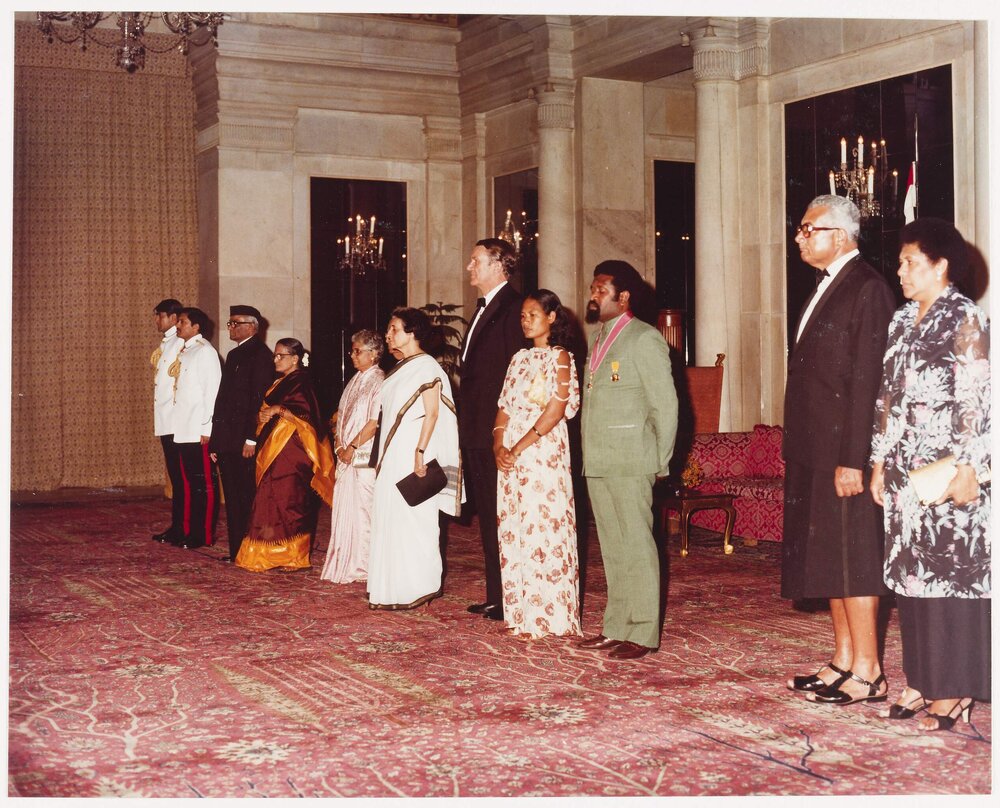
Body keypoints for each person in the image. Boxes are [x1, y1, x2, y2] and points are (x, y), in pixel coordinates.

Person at [869, 218, 991, 731]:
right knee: (911, 576)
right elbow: (887, 399)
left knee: (952, 574)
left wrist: (969, 467)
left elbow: (977, 400)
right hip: (904, 471)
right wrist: (878, 460)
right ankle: (922, 678)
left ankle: (955, 688)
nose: (901, 270)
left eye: (910, 262)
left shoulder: (966, 319)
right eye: (900, 261)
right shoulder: (901, 321)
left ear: (941, 267)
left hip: (948, 468)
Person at [781, 195, 896, 706]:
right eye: (801, 229)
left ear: (843, 235)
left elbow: (869, 382)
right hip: (813, 449)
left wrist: (856, 457)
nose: (800, 237)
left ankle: (869, 669)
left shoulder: (868, 287)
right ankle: (843, 659)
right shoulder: (826, 287)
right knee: (829, 558)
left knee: (855, 559)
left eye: (810, 229)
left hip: (842, 455)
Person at [577, 261, 677, 661]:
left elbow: (665, 407)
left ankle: (642, 632)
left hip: (632, 458)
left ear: (624, 297)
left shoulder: (644, 339)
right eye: (592, 288)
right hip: (599, 459)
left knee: (636, 544)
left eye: (601, 289)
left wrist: (659, 461)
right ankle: (616, 625)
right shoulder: (599, 337)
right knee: (614, 547)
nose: (592, 295)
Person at [494, 289, 582, 639]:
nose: (525, 320)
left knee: (543, 525)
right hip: (513, 451)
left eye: (533, 314)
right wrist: (499, 445)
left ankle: (551, 617)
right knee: (516, 524)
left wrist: (519, 446)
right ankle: (522, 614)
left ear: (552, 317)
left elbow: (556, 409)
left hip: (542, 451)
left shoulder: (560, 358)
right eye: (523, 315)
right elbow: (503, 405)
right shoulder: (518, 359)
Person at [368, 308, 462, 610]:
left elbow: (433, 413)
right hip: (392, 452)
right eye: (388, 329)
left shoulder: (426, 367)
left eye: (394, 328)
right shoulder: (400, 368)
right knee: (391, 517)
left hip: (413, 453)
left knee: (415, 518)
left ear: (413, 332)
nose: (388, 334)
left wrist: (420, 452)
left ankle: (421, 586)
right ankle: (390, 589)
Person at [459, 238, 526, 621]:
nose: (470, 268)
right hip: (476, 430)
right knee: (488, 514)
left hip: (497, 431)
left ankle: (509, 595)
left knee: (503, 514)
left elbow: (514, 377)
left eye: (476, 261)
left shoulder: (514, 308)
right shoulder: (485, 309)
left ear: (499, 265)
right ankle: (497, 595)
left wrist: (506, 433)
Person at [235, 339, 334, 571]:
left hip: (293, 449)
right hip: (274, 448)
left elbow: (309, 416)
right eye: (275, 355)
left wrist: (278, 410)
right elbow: (268, 408)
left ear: (295, 358)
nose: (276, 359)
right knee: (268, 498)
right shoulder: (281, 381)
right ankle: (265, 554)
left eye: (281, 355)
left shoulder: (303, 381)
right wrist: (262, 417)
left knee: (289, 500)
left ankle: (293, 556)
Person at [209, 305, 275, 562]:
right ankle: (237, 550)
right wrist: (217, 441)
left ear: (252, 326)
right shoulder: (235, 355)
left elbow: (259, 402)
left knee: (246, 498)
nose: (231, 328)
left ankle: (251, 550)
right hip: (228, 440)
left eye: (235, 323)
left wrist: (252, 437)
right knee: (234, 499)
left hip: (244, 441)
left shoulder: (260, 355)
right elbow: (223, 401)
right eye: (230, 323)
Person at [321, 329, 385, 583]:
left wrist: (351, 447)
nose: (353, 355)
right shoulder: (355, 379)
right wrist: (338, 443)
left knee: (363, 510)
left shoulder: (379, 380)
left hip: (363, 457)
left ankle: (365, 566)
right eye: (352, 351)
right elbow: (342, 415)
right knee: (346, 509)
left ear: (374, 353)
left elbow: (373, 422)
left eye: (358, 351)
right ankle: (346, 561)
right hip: (345, 454)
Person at [170, 307, 222, 549]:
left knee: (204, 485)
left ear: (196, 327)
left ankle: (202, 535)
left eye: (182, 321)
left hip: (198, 430)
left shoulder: (205, 352)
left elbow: (212, 392)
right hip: (182, 428)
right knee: (189, 483)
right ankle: (188, 531)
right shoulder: (186, 351)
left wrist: (208, 428)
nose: (178, 325)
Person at [150, 298, 186, 544]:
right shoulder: (168, 343)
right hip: (166, 420)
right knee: (176, 478)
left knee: (182, 478)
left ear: (173, 318)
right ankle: (177, 526)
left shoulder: (180, 343)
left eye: (160, 315)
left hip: (177, 422)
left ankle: (183, 527)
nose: (156, 320)